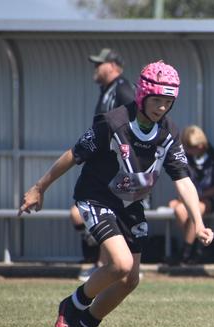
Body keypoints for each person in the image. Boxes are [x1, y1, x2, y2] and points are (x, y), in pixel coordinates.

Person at [18, 60, 214, 327]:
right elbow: (73, 154)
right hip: (96, 198)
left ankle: (85, 326)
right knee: (120, 264)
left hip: (130, 204)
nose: (161, 107)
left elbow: (183, 179)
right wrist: (38, 188)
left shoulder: (169, 132)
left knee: (130, 279)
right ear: (143, 95)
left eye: (167, 101)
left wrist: (198, 222)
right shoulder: (113, 123)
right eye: (156, 100)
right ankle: (71, 307)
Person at [72, 48, 136, 282]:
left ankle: (103, 266)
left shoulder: (123, 88)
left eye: (100, 64)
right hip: (102, 169)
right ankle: (101, 265)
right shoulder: (106, 90)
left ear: (113, 66)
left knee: (99, 214)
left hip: (117, 170)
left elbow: (135, 122)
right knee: (86, 215)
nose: (96, 68)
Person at [169, 125, 214, 264]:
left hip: (209, 199)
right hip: (191, 200)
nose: (189, 150)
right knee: (179, 210)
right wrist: (182, 200)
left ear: (201, 145)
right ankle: (196, 249)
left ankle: (186, 252)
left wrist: (196, 196)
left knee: (197, 209)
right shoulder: (185, 159)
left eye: (192, 147)